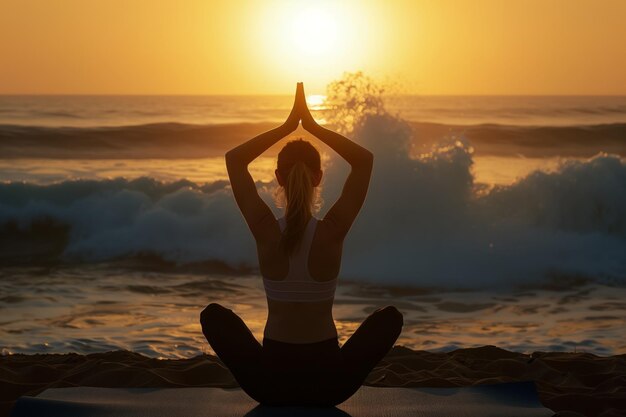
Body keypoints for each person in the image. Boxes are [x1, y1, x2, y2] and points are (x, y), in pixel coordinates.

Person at [200, 82, 403, 406]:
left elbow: (235, 160)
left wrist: (285, 126)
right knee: (390, 317)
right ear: (319, 177)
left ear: (279, 178)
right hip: (329, 387)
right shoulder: (332, 231)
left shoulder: (265, 231)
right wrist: (313, 126)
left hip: (269, 386)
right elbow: (364, 161)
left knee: (213, 316)